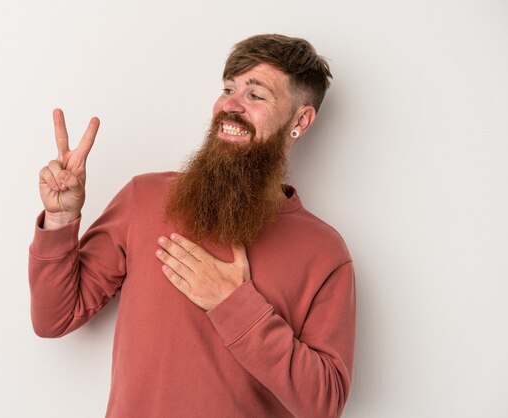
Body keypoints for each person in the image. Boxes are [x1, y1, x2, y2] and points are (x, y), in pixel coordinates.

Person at [29, 34, 355, 418]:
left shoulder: (324, 251)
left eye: (255, 95)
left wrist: (233, 304)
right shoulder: (144, 198)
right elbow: (55, 318)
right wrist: (61, 219)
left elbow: (324, 403)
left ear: (300, 120)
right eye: (228, 88)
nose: (229, 105)